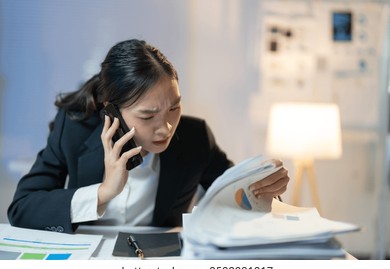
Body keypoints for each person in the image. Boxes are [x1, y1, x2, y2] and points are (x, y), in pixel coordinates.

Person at [7, 39, 289, 234]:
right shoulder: (74, 129)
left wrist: (263, 188)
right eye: (147, 116)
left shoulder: (195, 137)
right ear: (112, 109)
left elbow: (235, 196)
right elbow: (22, 208)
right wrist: (104, 193)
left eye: (174, 108)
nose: (166, 128)